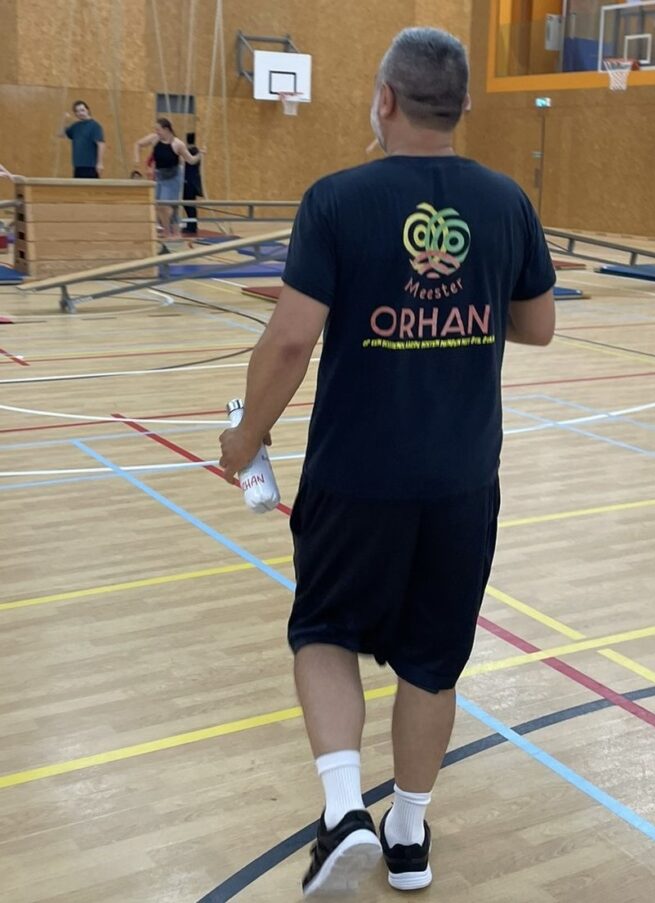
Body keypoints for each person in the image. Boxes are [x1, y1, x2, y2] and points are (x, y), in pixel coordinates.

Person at [219, 27, 555, 899]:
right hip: (462, 480)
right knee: (432, 659)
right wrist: (466, 300)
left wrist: (245, 438)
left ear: (385, 100)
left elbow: (289, 341)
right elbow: (538, 324)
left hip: (356, 475)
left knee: (325, 631)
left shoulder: (337, 200)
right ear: (464, 104)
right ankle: (407, 833)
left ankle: (343, 811)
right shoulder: (507, 200)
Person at [133, 118, 204, 238]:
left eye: (158, 130)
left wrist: (200, 154)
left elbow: (191, 160)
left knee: (166, 205)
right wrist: (136, 159)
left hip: (173, 177)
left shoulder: (177, 144)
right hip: (160, 176)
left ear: (166, 129)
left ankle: (168, 231)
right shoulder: (155, 139)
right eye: (155, 130)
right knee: (158, 205)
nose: (156, 132)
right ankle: (172, 231)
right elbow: (138, 144)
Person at [58, 100, 106, 178]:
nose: (80, 113)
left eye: (82, 110)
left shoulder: (95, 126)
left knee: (90, 186)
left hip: (90, 166)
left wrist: (100, 163)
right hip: (78, 166)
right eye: (77, 111)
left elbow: (101, 144)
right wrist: (64, 121)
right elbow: (61, 135)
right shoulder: (75, 126)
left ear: (88, 110)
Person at [182, 131, 205, 235]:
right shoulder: (197, 151)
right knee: (191, 204)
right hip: (194, 181)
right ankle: (192, 225)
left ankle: (191, 226)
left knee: (188, 204)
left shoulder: (189, 151)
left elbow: (188, 165)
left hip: (188, 181)